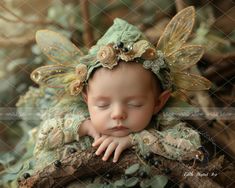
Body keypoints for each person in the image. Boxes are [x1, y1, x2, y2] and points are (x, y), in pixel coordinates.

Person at [29, 6, 211, 171]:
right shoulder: (79, 116)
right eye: (102, 104)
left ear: (158, 102)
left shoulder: (162, 122)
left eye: (135, 104)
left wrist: (136, 139)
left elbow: (192, 148)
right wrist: (83, 126)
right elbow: (43, 137)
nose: (117, 114)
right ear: (86, 99)